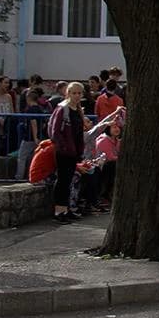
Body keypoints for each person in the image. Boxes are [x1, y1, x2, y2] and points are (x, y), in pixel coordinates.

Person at [47, 82, 88, 223]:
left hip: (74, 150)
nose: (76, 96)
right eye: (74, 93)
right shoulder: (62, 109)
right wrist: (63, 146)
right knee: (63, 180)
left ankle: (66, 209)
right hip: (64, 151)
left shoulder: (77, 109)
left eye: (79, 93)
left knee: (69, 180)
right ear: (68, 93)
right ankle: (59, 211)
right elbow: (55, 130)